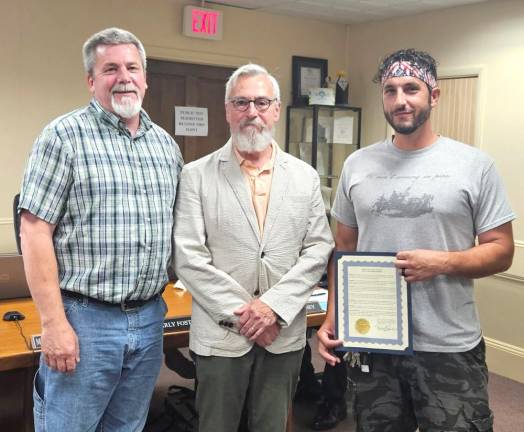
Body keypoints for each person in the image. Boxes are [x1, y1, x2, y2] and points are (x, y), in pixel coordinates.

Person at [317, 48, 515, 432]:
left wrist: (441, 262)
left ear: (433, 96)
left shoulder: (474, 165)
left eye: (411, 88)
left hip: (447, 343)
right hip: (373, 339)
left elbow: (502, 250)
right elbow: (344, 249)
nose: (400, 100)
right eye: (390, 91)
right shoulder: (358, 164)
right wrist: (332, 317)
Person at [19, 27, 183, 431]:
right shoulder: (63, 137)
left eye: (132, 67)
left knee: (128, 426)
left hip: (148, 317)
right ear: (91, 81)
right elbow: (34, 231)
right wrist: (53, 323)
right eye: (110, 68)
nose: (123, 76)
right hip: (84, 320)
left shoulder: (166, 147)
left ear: (145, 78)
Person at [173, 63, 334, 432]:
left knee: (273, 426)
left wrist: (272, 309)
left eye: (262, 102)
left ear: (276, 109)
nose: (252, 112)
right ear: (227, 110)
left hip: (283, 333)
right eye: (241, 102)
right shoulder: (196, 175)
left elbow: (318, 248)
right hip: (222, 334)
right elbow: (188, 256)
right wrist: (248, 316)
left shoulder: (305, 176)